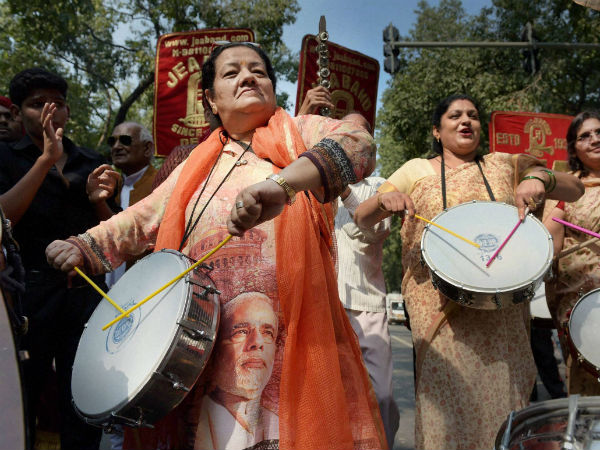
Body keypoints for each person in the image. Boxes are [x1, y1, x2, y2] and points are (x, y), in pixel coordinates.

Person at [45, 43, 386, 450]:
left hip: (293, 343)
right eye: (232, 72)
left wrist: (283, 184)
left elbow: (359, 141)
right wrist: (82, 246)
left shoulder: (302, 133)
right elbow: (140, 218)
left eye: (258, 70)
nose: (248, 77)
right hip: (208, 349)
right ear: (210, 99)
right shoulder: (195, 165)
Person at [353, 94, 584, 450]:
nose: (466, 121)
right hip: (439, 311)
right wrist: (384, 201)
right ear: (436, 129)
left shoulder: (504, 164)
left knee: (504, 405)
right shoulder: (416, 170)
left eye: (473, 116)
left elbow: (576, 187)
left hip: (502, 312)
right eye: (455, 115)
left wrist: (540, 179)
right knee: (447, 409)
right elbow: (362, 216)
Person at [0, 68, 120, 450]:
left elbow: (115, 230)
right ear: (18, 114)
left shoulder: (91, 159)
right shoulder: (5, 157)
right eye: (37, 104)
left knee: (84, 396)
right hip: (28, 297)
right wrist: (44, 161)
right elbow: (3, 218)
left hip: (86, 295)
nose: (51, 111)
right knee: (24, 393)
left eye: (59, 103)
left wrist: (98, 201)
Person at [334, 112, 399, 448]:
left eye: (363, 135)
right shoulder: (313, 184)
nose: (355, 142)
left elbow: (373, 230)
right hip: (323, 306)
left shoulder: (380, 186)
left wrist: (343, 190)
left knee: (383, 396)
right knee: (331, 399)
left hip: (366, 304)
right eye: (346, 135)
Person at [543, 110, 600, 396]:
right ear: (574, 147)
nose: (595, 139)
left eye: (599, 132)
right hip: (579, 299)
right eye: (585, 136)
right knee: (587, 377)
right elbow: (549, 243)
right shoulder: (567, 188)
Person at [195, 292, 279, 449]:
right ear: (216, 348)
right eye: (241, 331)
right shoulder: (196, 421)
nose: (257, 342)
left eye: (268, 333)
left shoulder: (277, 423)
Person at [105, 121, 157, 288]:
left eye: (125, 140)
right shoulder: (110, 186)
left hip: (145, 285)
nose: (116, 147)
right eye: (112, 142)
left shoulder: (160, 184)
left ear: (147, 148)